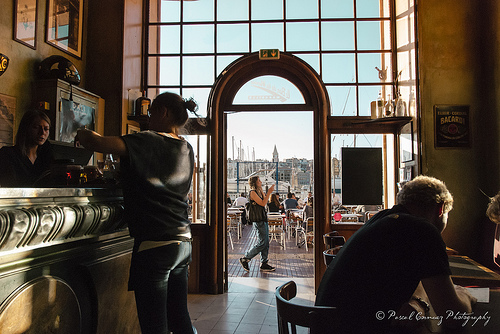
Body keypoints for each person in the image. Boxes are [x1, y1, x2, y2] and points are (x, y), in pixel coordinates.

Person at [75, 92, 198, 334]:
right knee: (179, 319)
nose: (149, 118)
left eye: (151, 112)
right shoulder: (186, 147)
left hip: (154, 244)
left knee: (154, 327)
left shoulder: (147, 139)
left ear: (163, 112)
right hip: (182, 240)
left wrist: (81, 131)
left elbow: (98, 143)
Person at [315, 175, 476, 333]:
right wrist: (465, 295)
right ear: (441, 209)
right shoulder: (423, 230)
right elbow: (453, 317)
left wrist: (418, 302)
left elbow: (415, 280)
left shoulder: (381, 219)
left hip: (327, 324)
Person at [0, 109, 53, 187]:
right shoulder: (8, 154)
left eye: (46, 129)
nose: (42, 133)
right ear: (26, 128)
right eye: (36, 127)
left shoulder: (46, 157)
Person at [239, 176, 276, 272]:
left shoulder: (259, 191)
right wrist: (269, 192)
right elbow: (263, 203)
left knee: (266, 242)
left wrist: (265, 192)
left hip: (263, 218)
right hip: (258, 220)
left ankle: (264, 263)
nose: (261, 181)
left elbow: (265, 201)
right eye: (259, 180)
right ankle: (246, 258)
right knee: (262, 242)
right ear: (255, 183)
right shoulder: (252, 193)